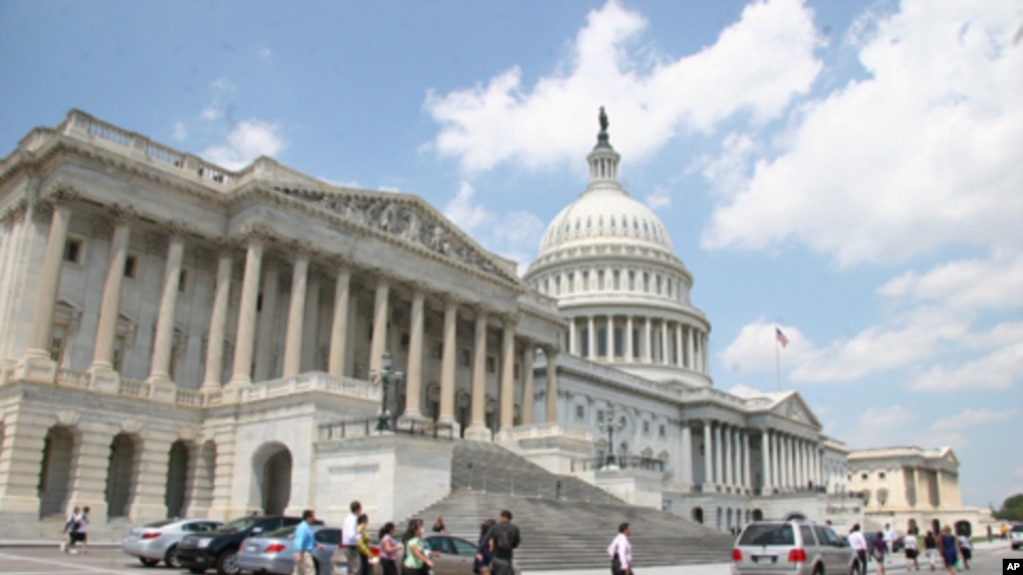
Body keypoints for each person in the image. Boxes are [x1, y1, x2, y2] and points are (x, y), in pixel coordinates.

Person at [480, 510, 519, 575]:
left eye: (500, 516)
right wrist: (511, 546)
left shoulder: (495, 528)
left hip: (496, 556)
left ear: (503, 517)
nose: (499, 518)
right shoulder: (514, 528)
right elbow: (516, 542)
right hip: (507, 556)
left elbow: (485, 540)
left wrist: (480, 552)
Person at [293, 509, 324, 575]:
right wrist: (299, 554)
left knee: (299, 572)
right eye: (313, 517)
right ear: (308, 517)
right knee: (310, 571)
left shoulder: (307, 527)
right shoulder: (303, 527)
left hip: (304, 552)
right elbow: (299, 540)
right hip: (304, 553)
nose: (314, 519)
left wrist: (317, 544)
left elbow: (309, 540)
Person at [342, 501, 363, 575]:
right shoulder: (353, 519)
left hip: (347, 547)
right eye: (360, 509)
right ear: (357, 509)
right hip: (352, 547)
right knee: (355, 569)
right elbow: (351, 535)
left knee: (350, 570)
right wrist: (359, 533)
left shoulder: (347, 518)